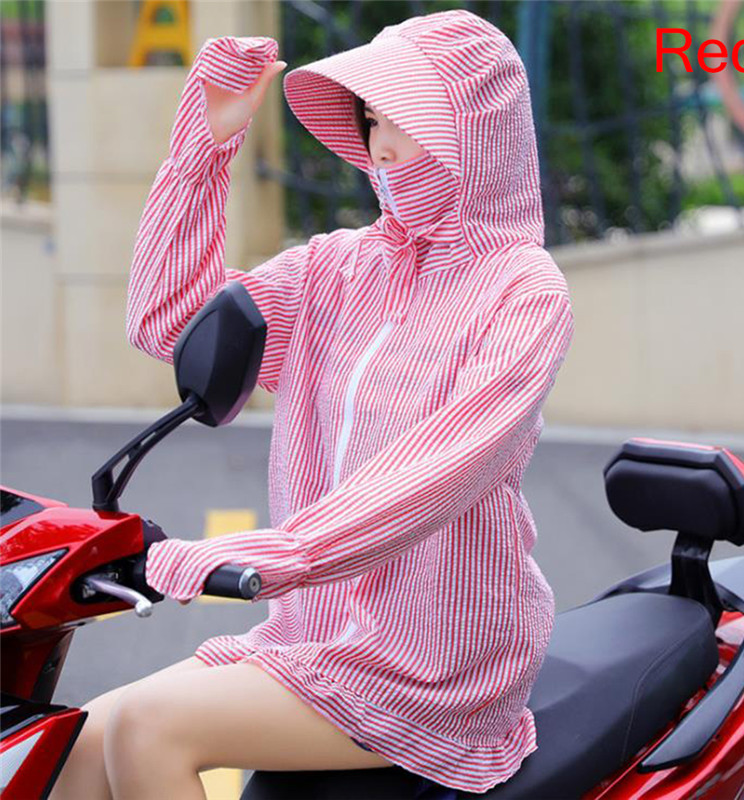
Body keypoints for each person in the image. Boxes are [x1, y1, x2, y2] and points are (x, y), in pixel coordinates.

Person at [51, 9, 574, 800]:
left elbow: (441, 469)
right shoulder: (337, 268)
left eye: (407, 121)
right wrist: (206, 145)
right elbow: (172, 325)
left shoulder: (522, 291)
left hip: (437, 654)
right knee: (77, 742)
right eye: (373, 120)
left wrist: (278, 552)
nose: (382, 147)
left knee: (148, 728)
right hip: (313, 631)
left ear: (475, 132)